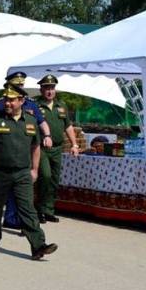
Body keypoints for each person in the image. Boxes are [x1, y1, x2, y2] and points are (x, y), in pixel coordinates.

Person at [0, 84, 57, 260]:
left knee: (27, 209)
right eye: (6, 99)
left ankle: (38, 245)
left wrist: (35, 169)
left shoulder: (30, 121)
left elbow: (36, 146)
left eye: (12, 100)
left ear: (21, 101)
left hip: (22, 173)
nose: (7, 103)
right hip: (0, 172)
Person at [0, 72, 52, 229]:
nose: (20, 87)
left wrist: (47, 135)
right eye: (17, 85)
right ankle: (10, 219)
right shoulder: (1, 104)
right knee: (4, 195)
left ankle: (25, 224)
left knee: (24, 193)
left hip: (26, 154)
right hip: (7, 155)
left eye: (21, 85)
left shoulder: (31, 105)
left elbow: (41, 121)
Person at [35, 74, 80, 223]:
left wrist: (74, 144)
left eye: (52, 88)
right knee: (45, 176)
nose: (50, 91)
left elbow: (68, 126)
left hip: (57, 148)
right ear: (41, 89)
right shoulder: (35, 105)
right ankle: (39, 209)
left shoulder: (61, 105)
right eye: (47, 88)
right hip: (41, 148)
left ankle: (49, 210)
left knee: (54, 180)